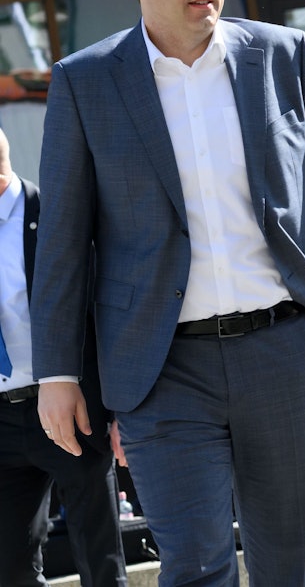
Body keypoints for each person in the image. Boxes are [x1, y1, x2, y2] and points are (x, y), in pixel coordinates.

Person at [31, 0, 305, 587]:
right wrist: (59, 374)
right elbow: (63, 240)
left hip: (285, 351)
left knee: (293, 565)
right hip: (160, 372)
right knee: (194, 563)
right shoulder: (84, 82)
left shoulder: (280, 54)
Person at [0, 129, 126, 586]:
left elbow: (101, 315)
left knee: (101, 562)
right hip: (2, 416)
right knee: (10, 570)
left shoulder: (55, 215)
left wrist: (118, 413)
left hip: (69, 408)